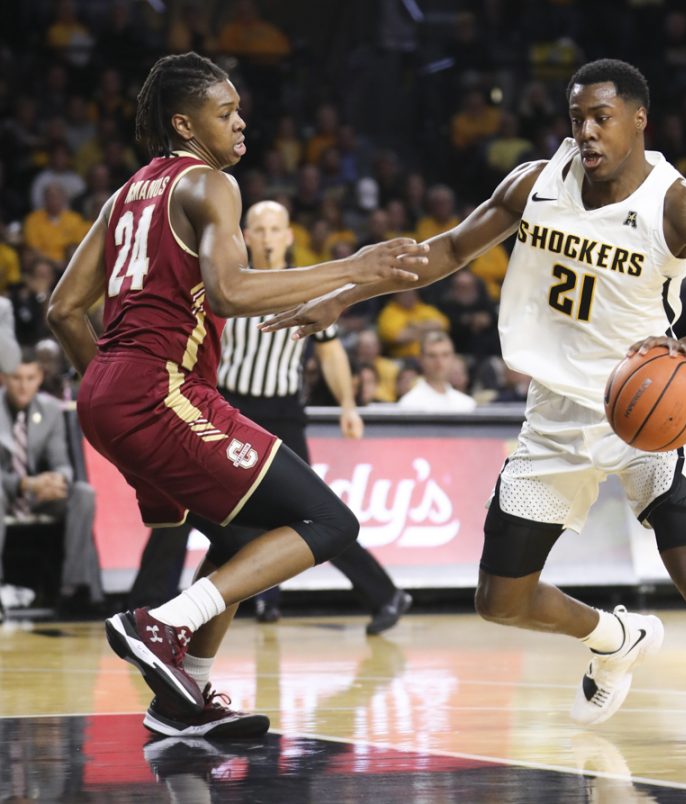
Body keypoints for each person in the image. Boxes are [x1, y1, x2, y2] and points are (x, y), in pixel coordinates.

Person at [265, 59, 686, 752]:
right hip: (555, 416)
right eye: (576, 117)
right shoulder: (535, 182)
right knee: (501, 602)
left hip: (644, 410)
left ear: (639, 119)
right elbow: (446, 252)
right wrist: (346, 296)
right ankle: (614, 637)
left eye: (601, 118)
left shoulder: (682, 206)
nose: (586, 130)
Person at [46, 52, 426, 739]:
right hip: (160, 389)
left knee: (242, 535)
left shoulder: (128, 193)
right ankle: (161, 624)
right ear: (185, 124)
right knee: (333, 523)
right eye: (226, 112)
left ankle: (183, 694)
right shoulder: (211, 184)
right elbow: (231, 291)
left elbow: (63, 311)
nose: (240, 121)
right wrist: (355, 267)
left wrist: (105, 385)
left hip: (107, 394)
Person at [130, 200, 413, 633]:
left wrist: (348, 406)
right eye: (257, 229)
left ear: (287, 237)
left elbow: (331, 351)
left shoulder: (308, 283)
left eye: (273, 229)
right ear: (244, 235)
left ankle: (384, 594)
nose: (264, 237)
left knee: (314, 515)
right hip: (223, 406)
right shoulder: (224, 280)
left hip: (282, 415)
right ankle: (147, 603)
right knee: (183, 504)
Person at [0, 347, 103, 611]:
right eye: (16, 378)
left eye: (30, 378)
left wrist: (57, 481)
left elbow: (62, 463)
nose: (24, 386)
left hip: (37, 496)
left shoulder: (50, 410)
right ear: (3, 378)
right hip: (6, 493)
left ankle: (74, 589)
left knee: (82, 493)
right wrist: (24, 484)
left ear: (39, 377)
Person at [397, 331, 477, 412]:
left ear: (453, 358)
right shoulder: (409, 404)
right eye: (432, 356)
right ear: (420, 359)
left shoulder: (467, 404)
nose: (439, 361)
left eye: (445, 355)